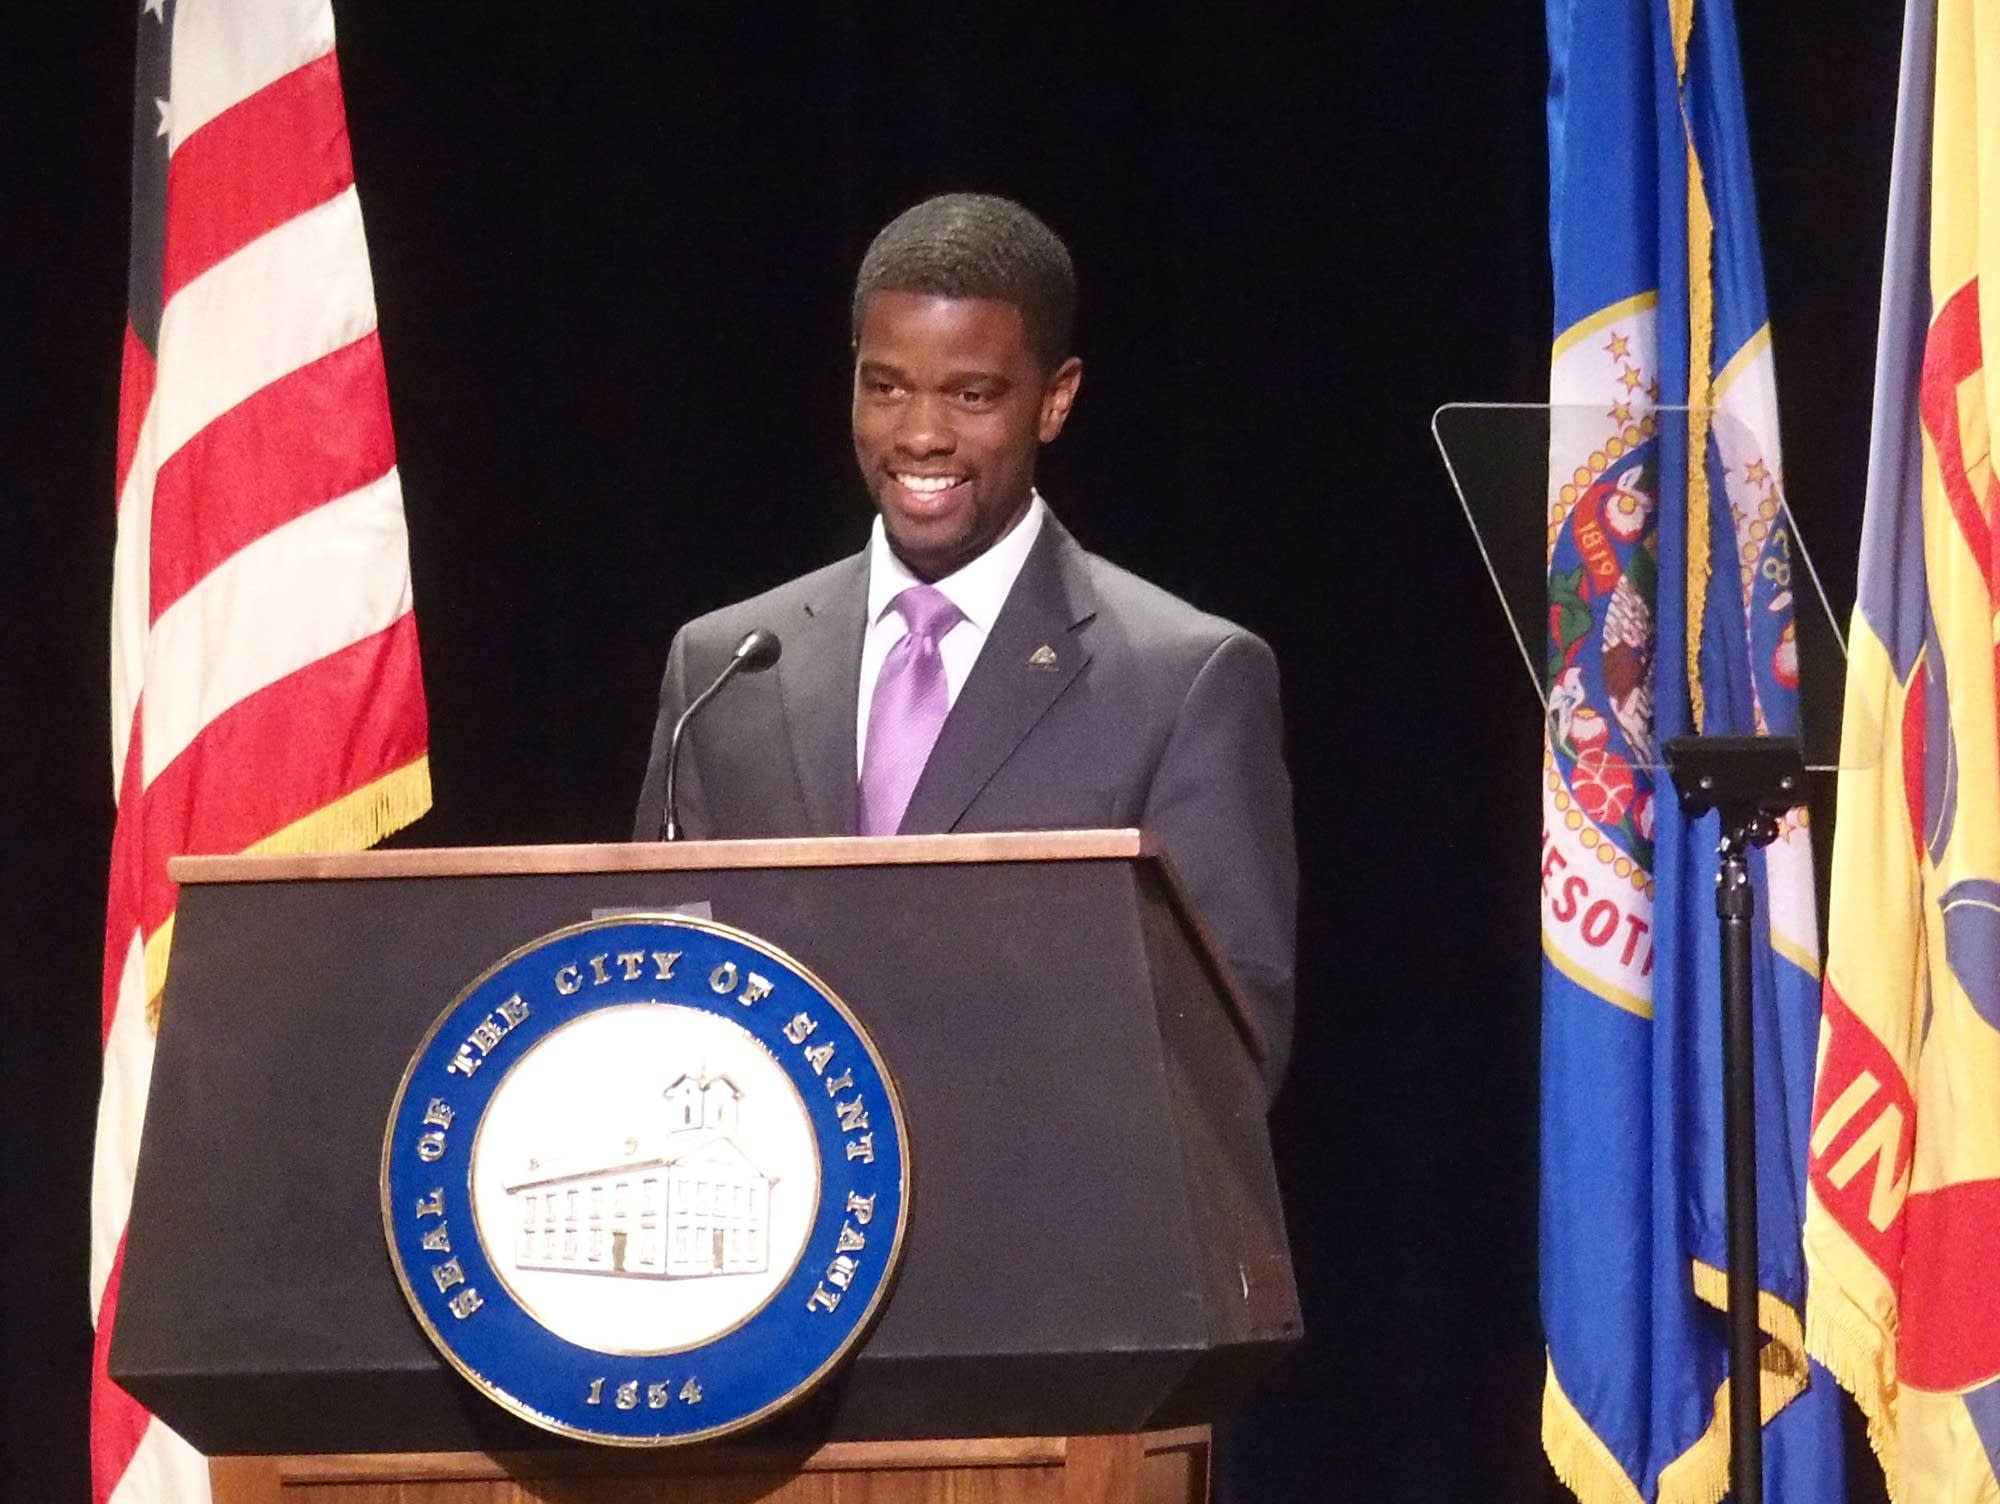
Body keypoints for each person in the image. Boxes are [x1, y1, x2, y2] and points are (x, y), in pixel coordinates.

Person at [633, 192, 1297, 1087]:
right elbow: (653, 997)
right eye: (887, 386)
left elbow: (1229, 1043)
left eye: (971, 395)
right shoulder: (728, 667)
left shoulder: (1180, 681)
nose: (919, 434)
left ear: (1054, 401)